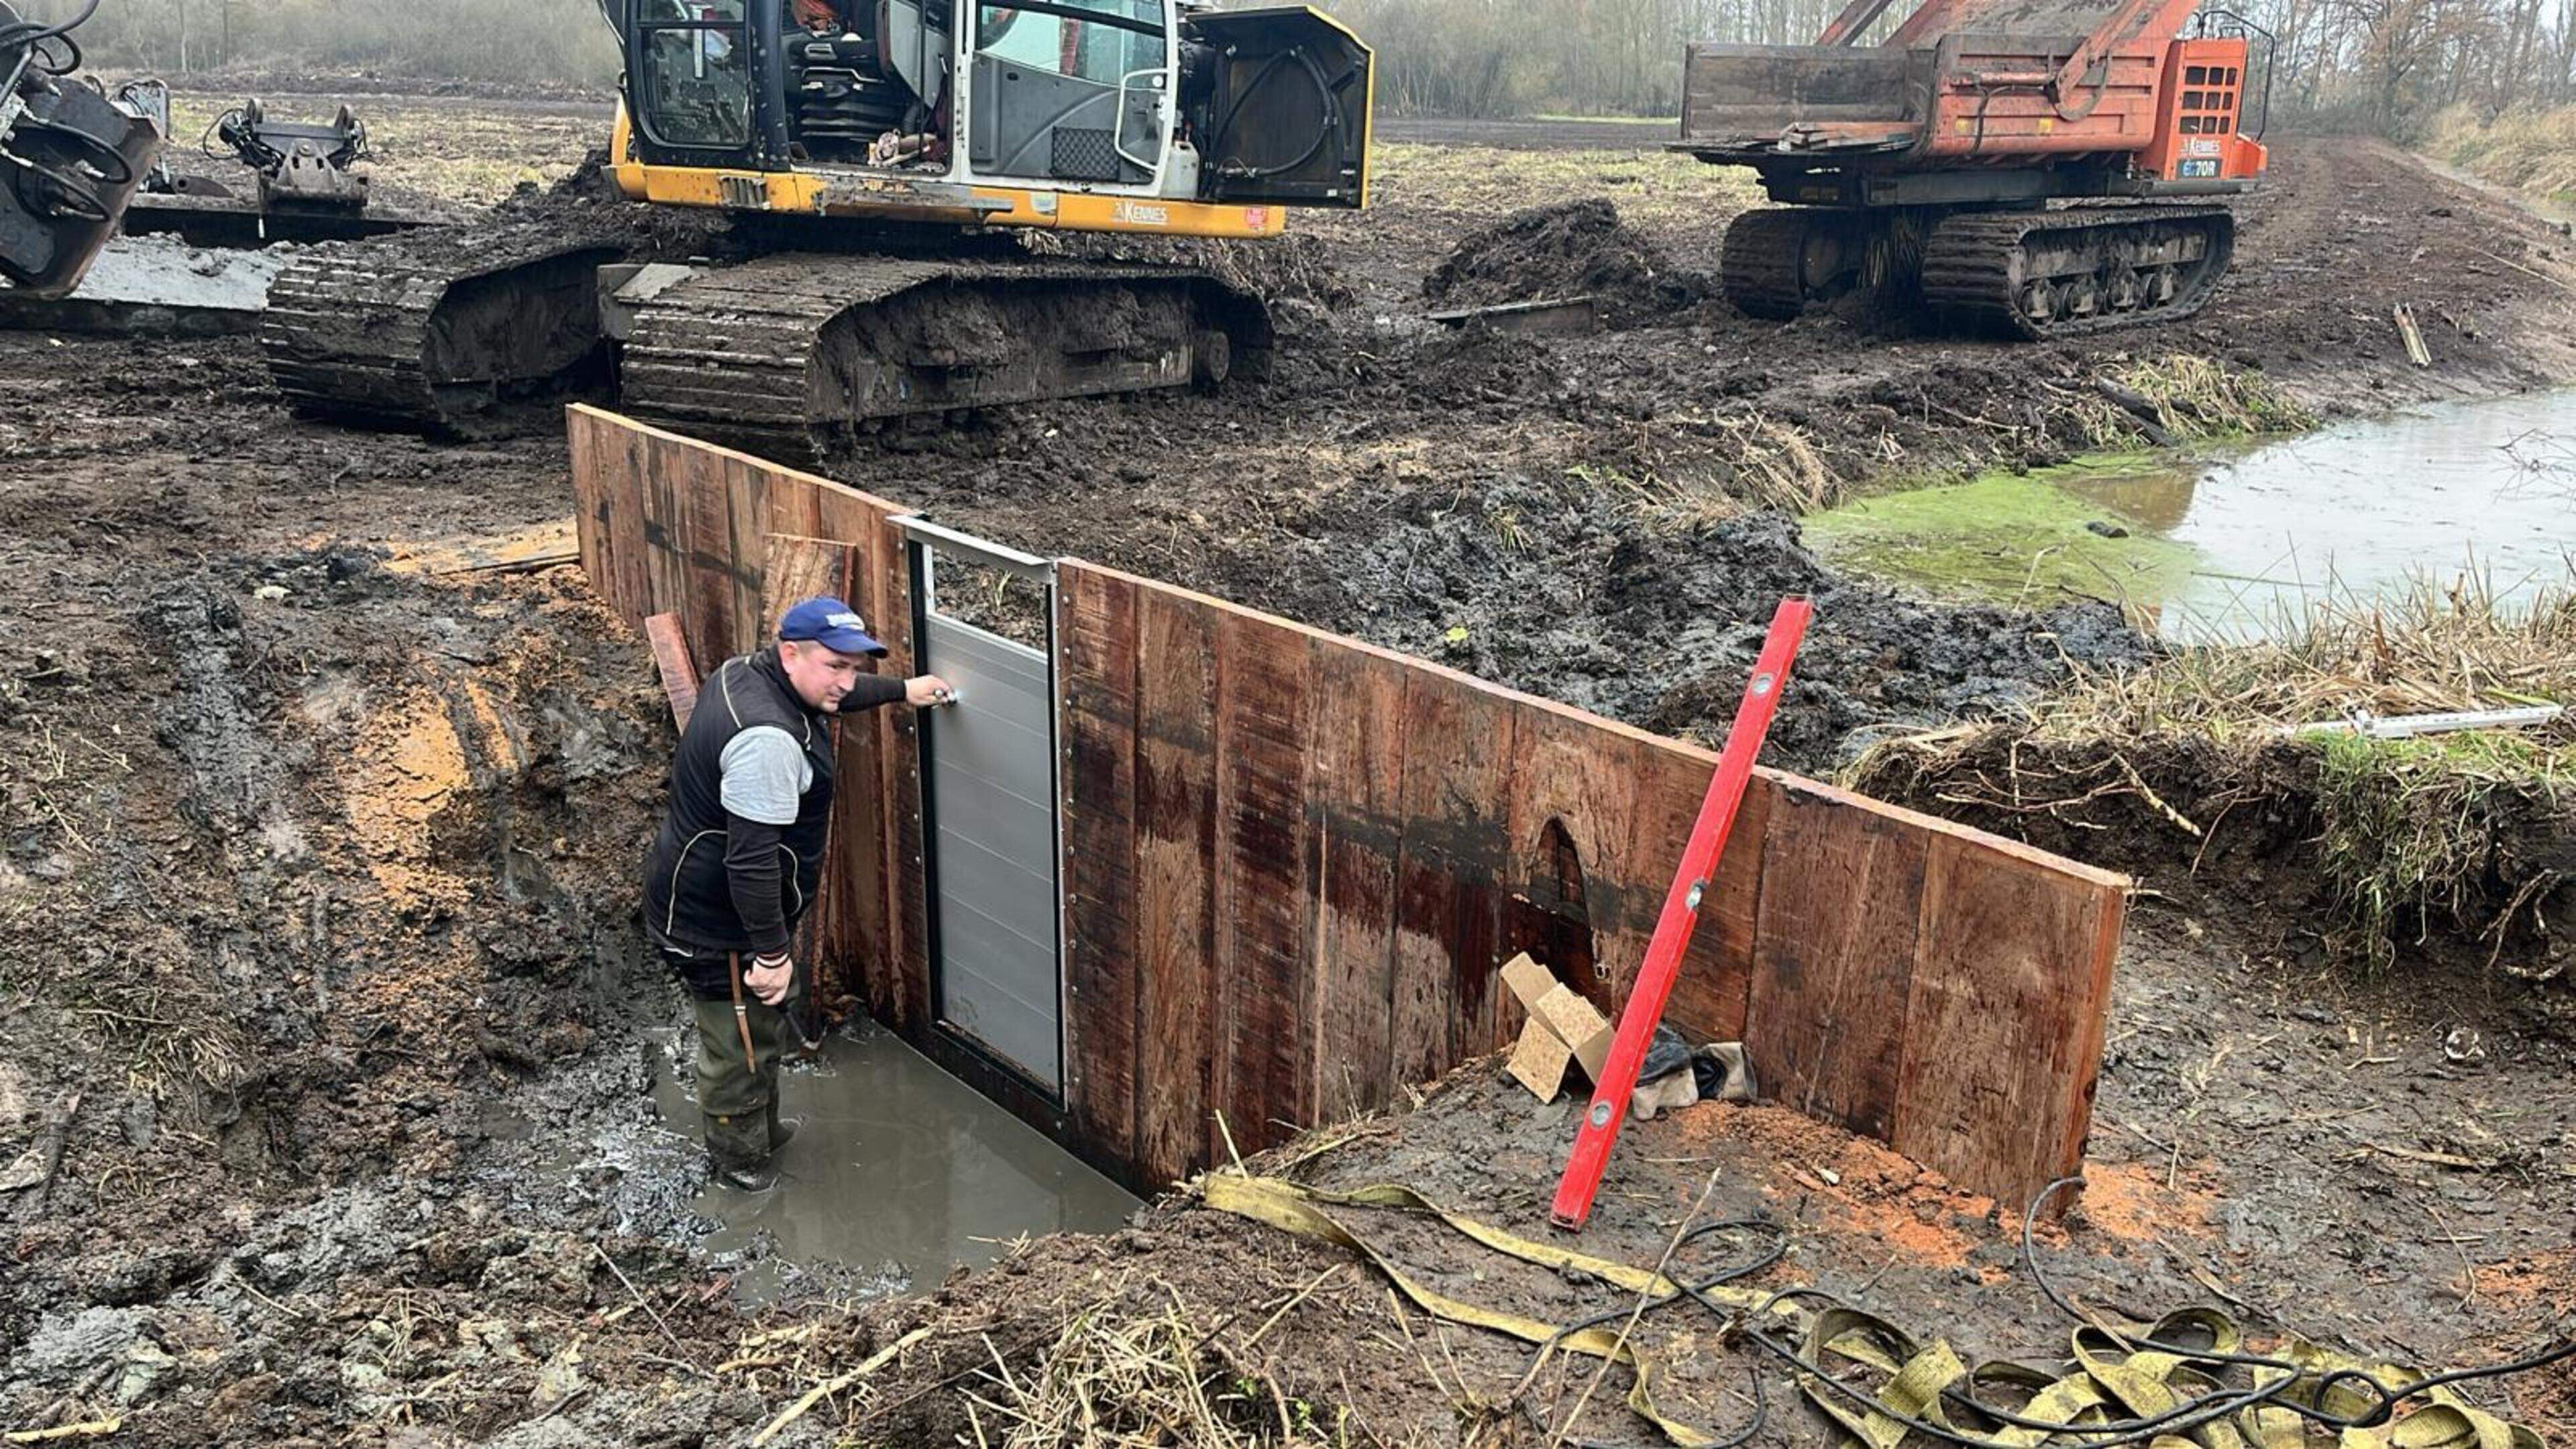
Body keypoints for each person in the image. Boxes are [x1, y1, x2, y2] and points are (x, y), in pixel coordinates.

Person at [642, 598, 952, 1190]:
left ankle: (764, 1130)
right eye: (836, 665)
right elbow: (752, 860)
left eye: (853, 668)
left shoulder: (745, 673)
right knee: (741, 1050)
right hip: (717, 924)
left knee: (758, 1029)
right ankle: (741, 1168)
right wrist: (772, 955)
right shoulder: (768, 742)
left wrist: (899, 690)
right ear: (790, 654)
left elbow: (829, 693)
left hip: (697, 889)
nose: (846, 681)